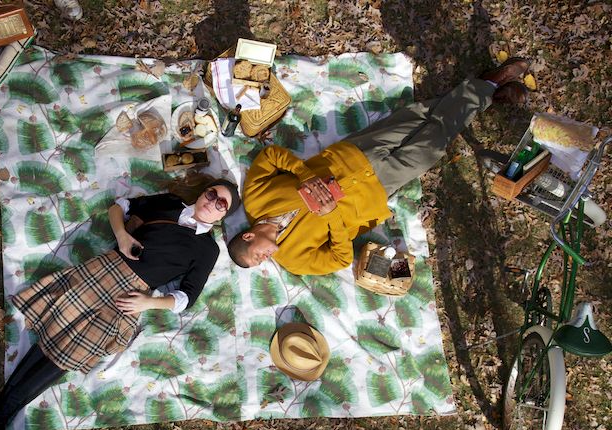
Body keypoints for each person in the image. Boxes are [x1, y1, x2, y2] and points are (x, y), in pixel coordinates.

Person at [0, 178, 240, 430]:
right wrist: (122, 236)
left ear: (222, 216)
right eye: (211, 193)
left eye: (221, 204)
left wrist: (149, 303)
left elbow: (187, 298)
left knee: (66, 355)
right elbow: (119, 207)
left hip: (131, 296)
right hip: (104, 269)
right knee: (51, 340)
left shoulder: (208, 249)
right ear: (203, 191)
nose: (212, 202)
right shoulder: (169, 203)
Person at [227, 59, 530, 275]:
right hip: (375, 190)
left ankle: (487, 89)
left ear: (250, 236)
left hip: (351, 156)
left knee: (419, 116)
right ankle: (488, 86)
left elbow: (271, 157)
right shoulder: (293, 260)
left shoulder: (255, 199)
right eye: (262, 263)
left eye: (257, 256)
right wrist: (332, 216)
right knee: (434, 142)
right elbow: (340, 259)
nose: (266, 259)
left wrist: (306, 177)